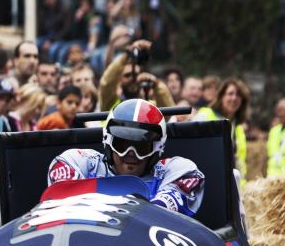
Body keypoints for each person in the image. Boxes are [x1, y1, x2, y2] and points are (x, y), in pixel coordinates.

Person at [48, 99, 205, 217]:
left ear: (158, 148)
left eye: (141, 147)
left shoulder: (180, 171)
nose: (131, 154)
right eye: (122, 144)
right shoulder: (76, 161)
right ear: (108, 141)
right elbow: (64, 206)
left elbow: (160, 215)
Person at [193, 78, 249, 184]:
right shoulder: (205, 115)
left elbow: (240, 163)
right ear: (221, 96)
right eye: (230, 93)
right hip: (205, 182)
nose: (234, 98)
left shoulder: (238, 128)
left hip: (231, 186)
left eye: (238, 95)